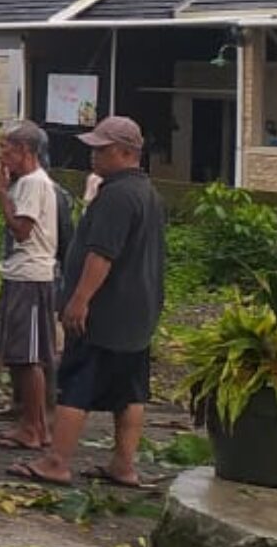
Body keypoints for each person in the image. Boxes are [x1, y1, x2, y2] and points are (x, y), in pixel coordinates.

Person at [12, 115, 167, 489]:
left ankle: (57, 461)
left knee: (78, 383)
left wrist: (79, 300)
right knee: (130, 390)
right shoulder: (147, 193)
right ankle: (124, 464)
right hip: (138, 312)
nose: (93, 156)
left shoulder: (116, 196)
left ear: (126, 152)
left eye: (102, 149)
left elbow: (102, 255)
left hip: (106, 311)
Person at [0, 121, 63, 451]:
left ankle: (35, 427)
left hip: (31, 278)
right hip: (20, 275)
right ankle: (31, 424)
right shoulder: (26, 183)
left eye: (6, 147)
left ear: (25, 151)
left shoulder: (33, 184)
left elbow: (22, 230)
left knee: (29, 355)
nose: (1, 154)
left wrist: (1, 193)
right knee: (19, 354)